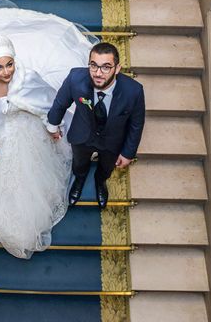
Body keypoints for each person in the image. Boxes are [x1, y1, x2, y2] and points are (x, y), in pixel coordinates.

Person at [0, 2, 93, 259]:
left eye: (9, 65)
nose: (6, 72)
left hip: (22, 135)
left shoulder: (27, 80)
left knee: (26, 181)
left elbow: (42, 106)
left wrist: (51, 126)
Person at [46, 42, 145, 209]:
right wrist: (53, 126)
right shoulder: (75, 79)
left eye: (106, 67)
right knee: (79, 163)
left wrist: (128, 152)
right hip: (82, 134)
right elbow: (60, 104)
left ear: (117, 68)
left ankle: (100, 182)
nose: (98, 73)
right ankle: (80, 179)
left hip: (112, 141)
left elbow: (136, 124)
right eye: (94, 66)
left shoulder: (133, 91)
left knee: (106, 168)